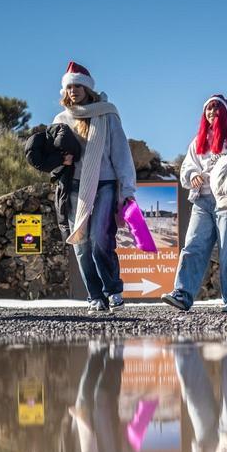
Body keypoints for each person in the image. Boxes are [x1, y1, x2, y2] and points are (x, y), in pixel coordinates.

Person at [161, 95, 227, 313]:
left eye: (216, 109)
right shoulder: (198, 141)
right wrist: (192, 175)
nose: (212, 113)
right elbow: (186, 168)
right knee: (192, 247)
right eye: (208, 109)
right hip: (201, 202)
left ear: (226, 113)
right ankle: (181, 295)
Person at [52, 62, 136, 315]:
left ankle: (113, 290)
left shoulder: (107, 113)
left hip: (106, 184)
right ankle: (95, 295)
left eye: (78, 85)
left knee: (101, 239)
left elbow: (121, 153)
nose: (74, 90)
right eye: (69, 86)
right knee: (81, 244)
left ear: (88, 88)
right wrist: (60, 161)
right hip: (74, 186)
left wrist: (127, 190)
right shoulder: (61, 119)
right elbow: (51, 156)